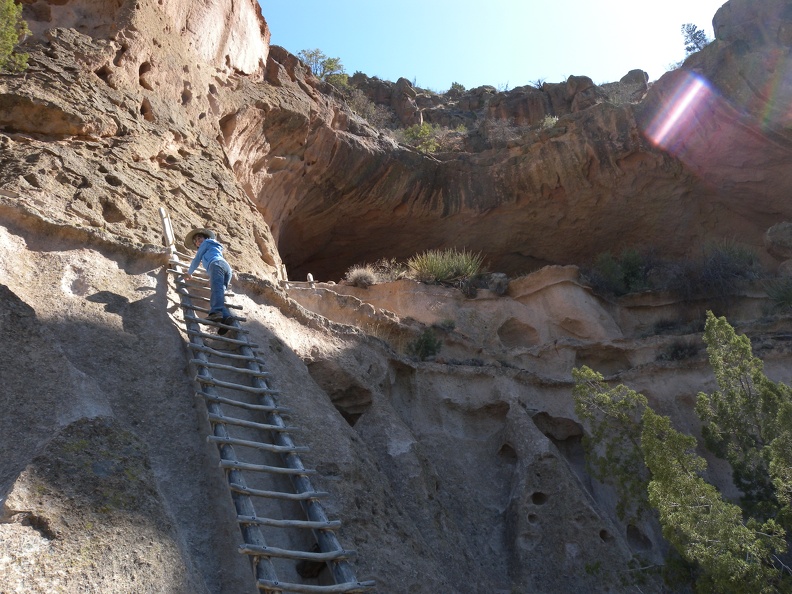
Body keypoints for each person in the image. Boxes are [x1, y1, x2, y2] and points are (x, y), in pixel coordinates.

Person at [183, 228, 233, 335]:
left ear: (206, 238)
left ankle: (216, 313)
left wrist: (190, 272)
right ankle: (226, 317)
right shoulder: (213, 247)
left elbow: (197, 259)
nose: (198, 241)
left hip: (216, 265)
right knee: (219, 292)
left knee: (216, 291)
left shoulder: (206, 243)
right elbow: (217, 259)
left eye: (199, 237)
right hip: (226, 268)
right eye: (196, 240)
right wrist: (212, 276)